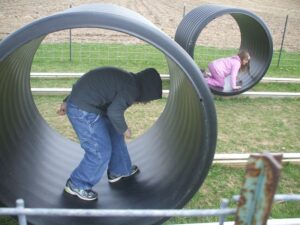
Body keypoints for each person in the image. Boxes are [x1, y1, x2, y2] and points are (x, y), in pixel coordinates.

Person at [57, 67, 162, 201]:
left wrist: (68, 100)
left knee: (114, 131)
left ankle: (119, 170)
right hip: (82, 111)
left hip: (86, 103)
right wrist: (125, 129)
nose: (146, 103)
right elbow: (114, 111)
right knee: (100, 151)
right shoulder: (132, 90)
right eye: (149, 100)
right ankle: (78, 184)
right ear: (148, 90)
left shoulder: (128, 80)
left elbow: (91, 84)